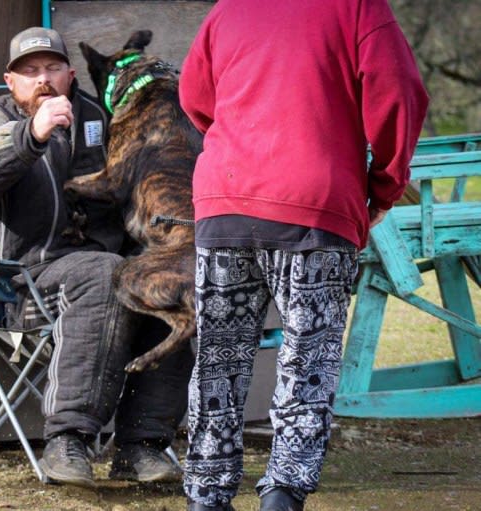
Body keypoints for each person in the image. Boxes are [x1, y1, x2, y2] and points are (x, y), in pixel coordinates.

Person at [178, 1, 429, 510]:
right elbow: (398, 94)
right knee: (307, 357)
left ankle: (206, 495)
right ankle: (282, 495)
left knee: (217, 359)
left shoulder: (229, 9)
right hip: (313, 204)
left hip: (224, 201)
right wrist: (382, 186)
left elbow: (195, 98)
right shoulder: (357, 6)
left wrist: (241, 147)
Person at [0, 27, 193, 488]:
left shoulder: (105, 116)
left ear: (72, 75)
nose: (42, 80)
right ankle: (68, 439)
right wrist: (29, 135)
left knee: (164, 275)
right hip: (27, 282)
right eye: (29, 72)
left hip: (109, 271)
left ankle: (143, 445)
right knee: (106, 274)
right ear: (10, 81)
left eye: (52, 68)